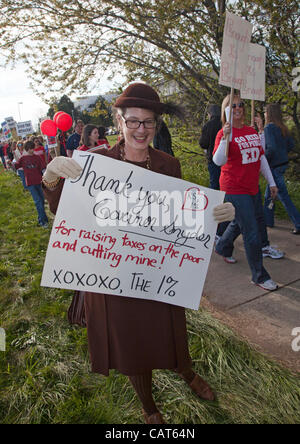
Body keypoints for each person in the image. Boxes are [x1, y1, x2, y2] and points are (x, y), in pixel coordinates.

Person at [42, 82, 235, 424]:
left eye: (148, 122)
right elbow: (63, 209)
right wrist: (52, 177)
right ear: (119, 121)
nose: (140, 130)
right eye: (133, 121)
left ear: (156, 125)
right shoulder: (96, 163)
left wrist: (213, 216)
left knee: (171, 328)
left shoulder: (168, 165)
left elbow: (181, 217)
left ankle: (186, 371)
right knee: (132, 344)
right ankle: (149, 406)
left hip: (156, 272)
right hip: (113, 275)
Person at [213, 94, 279, 291]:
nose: (238, 108)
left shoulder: (250, 131)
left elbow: (261, 158)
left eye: (240, 105)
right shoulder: (223, 133)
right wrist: (226, 137)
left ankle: (222, 246)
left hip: (252, 188)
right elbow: (218, 161)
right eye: (232, 106)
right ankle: (259, 276)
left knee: (239, 223)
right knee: (252, 232)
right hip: (234, 188)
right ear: (226, 110)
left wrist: (272, 182)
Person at [260, 104, 300, 235]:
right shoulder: (283, 127)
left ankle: (298, 223)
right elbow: (291, 145)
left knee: (282, 196)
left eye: (265, 112)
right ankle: (267, 221)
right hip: (282, 163)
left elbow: (271, 148)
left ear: (269, 113)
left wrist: (263, 160)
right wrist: (282, 153)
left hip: (274, 166)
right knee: (268, 195)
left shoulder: (269, 127)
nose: (264, 114)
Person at [15, 140, 48, 227]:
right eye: (30, 149)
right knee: (38, 201)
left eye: (33, 148)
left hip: (39, 181)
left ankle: (42, 218)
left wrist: (45, 175)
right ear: (26, 149)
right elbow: (16, 166)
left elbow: (42, 168)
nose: (32, 150)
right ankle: (43, 222)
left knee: (42, 201)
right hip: (30, 183)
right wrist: (10, 163)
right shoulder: (23, 158)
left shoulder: (37, 157)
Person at [199, 104, 222, 190]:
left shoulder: (208, 125)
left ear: (210, 114)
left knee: (214, 184)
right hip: (226, 158)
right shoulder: (225, 123)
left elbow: (203, 143)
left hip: (213, 158)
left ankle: (214, 202)